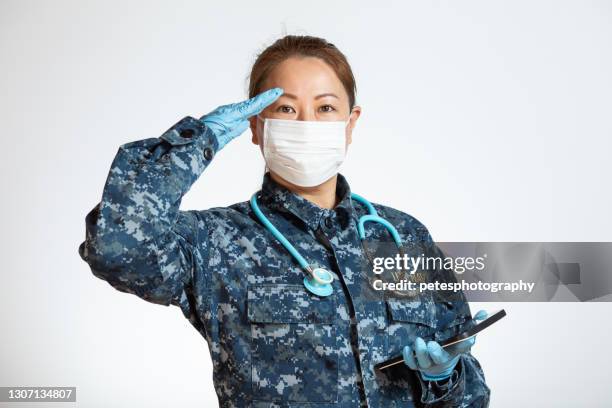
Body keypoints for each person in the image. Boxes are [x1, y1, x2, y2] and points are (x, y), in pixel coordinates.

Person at [78, 34, 490, 407]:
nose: (307, 123)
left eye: (326, 107)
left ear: (351, 123)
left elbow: (472, 397)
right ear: (256, 126)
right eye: (286, 109)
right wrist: (197, 141)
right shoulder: (214, 242)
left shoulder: (401, 235)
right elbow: (118, 247)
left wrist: (445, 377)